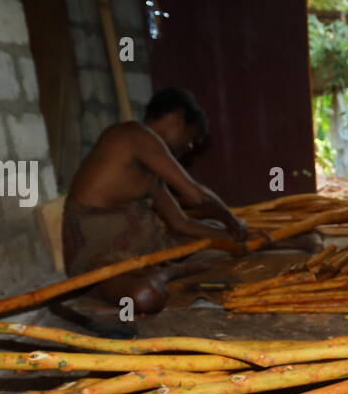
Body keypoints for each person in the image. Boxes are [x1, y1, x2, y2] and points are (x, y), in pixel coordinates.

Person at [63, 87, 304, 315]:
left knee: (213, 236)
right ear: (178, 117)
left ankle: (284, 244)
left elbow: (181, 223)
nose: (189, 146)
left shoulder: (151, 163)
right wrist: (232, 221)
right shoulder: (133, 134)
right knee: (144, 297)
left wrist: (237, 237)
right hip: (98, 255)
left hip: (140, 249)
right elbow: (195, 195)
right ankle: (172, 272)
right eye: (192, 137)